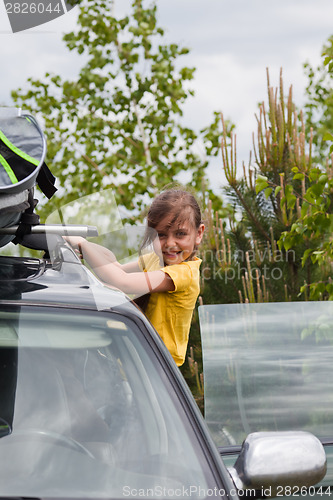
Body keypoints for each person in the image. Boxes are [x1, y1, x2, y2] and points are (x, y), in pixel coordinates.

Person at [66, 189, 204, 367]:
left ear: (199, 233)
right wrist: (85, 245)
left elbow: (122, 282)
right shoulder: (157, 260)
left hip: (159, 364)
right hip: (139, 356)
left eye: (180, 234)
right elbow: (117, 268)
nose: (170, 243)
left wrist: (83, 244)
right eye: (161, 235)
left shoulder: (184, 273)